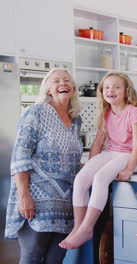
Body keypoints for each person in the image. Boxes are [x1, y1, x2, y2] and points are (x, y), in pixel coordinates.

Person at [59, 72, 137, 249]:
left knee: (100, 178)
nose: (111, 90)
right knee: (81, 179)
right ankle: (78, 226)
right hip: (113, 153)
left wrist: (129, 169)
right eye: (107, 87)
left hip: (132, 156)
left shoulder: (134, 112)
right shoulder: (107, 113)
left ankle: (87, 228)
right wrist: (91, 165)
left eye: (116, 87)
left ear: (126, 91)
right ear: (102, 92)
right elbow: (98, 143)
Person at [5, 68, 82, 263]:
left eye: (66, 80)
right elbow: (20, 156)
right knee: (31, 258)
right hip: (37, 203)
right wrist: (24, 196)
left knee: (55, 259)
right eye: (56, 81)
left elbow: (70, 160)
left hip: (65, 205)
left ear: (73, 87)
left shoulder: (76, 120)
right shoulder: (36, 112)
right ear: (48, 89)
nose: (62, 84)